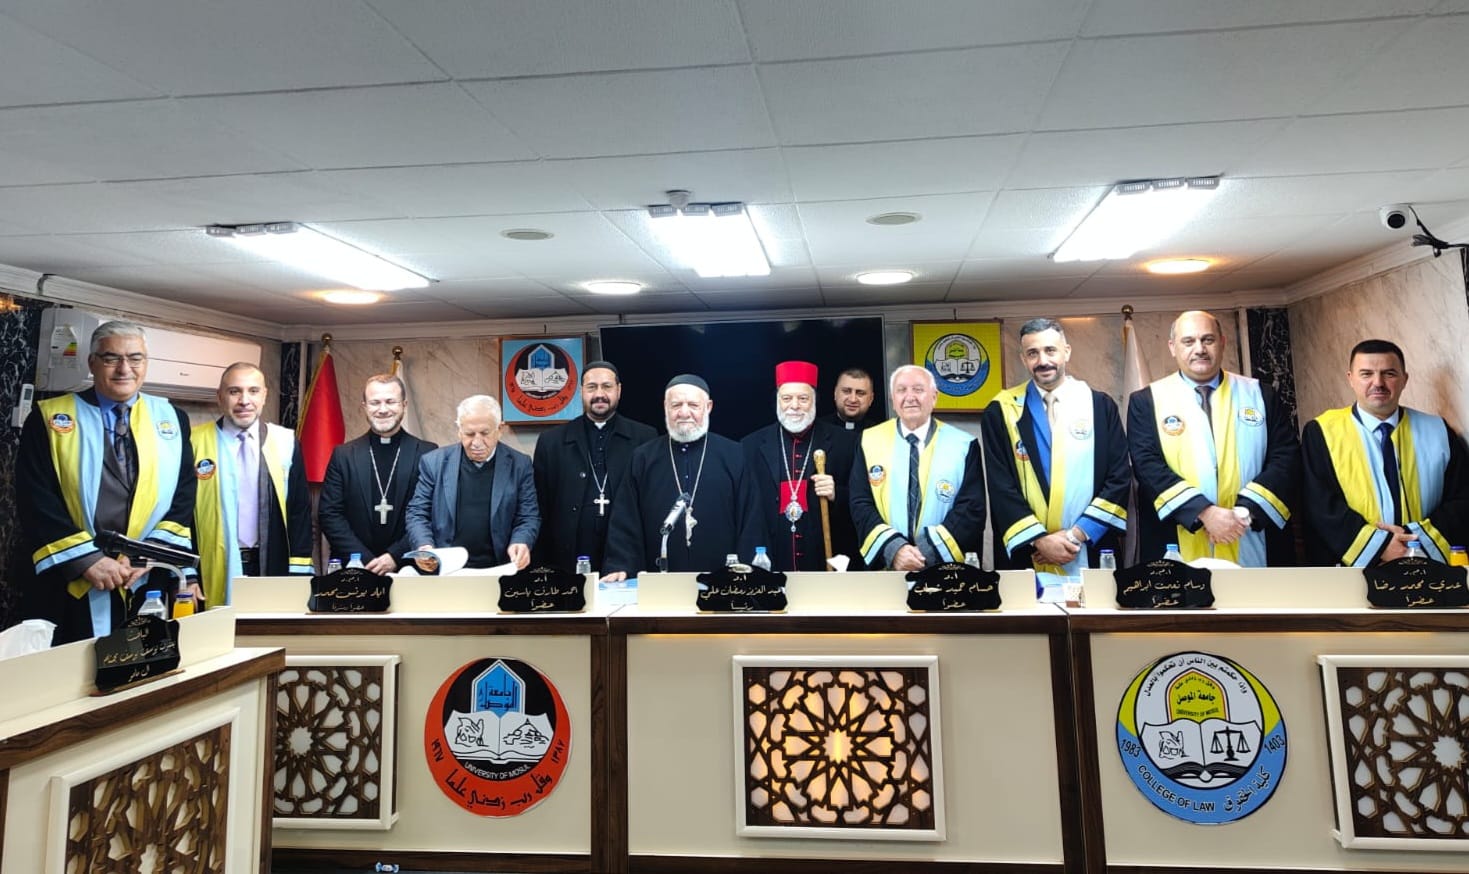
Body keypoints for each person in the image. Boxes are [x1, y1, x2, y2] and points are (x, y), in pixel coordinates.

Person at [16, 320, 196, 644]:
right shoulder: (48, 418)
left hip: (145, 579)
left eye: (135, 358)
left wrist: (146, 555)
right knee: (78, 668)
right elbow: (36, 498)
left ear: (146, 363)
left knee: (145, 664)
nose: (124, 368)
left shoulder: (172, 418)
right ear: (92, 362)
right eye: (112, 358)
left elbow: (184, 495)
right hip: (73, 579)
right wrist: (87, 560)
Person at [1127, 310, 1298, 566]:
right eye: (1188, 341)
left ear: (1223, 342)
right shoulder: (1147, 401)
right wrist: (1204, 512)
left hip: (1251, 532)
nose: (1199, 349)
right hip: (1176, 535)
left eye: (1208, 339)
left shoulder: (1260, 395)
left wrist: (1243, 513)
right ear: (1172, 347)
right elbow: (1147, 465)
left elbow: (1285, 458)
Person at [980, 319, 1131, 573]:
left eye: (1050, 350)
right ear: (1023, 359)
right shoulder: (1001, 411)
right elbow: (1001, 486)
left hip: (1090, 545)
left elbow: (1118, 477)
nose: (1043, 361)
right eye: (1032, 353)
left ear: (1066, 352)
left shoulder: (1099, 406)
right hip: (1029, 553)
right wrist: (1040, 540)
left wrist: (1076, 535)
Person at [1301, 339, 1469, 566]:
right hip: (1354, 569)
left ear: (1404, 379)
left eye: (1389, 374)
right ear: (1350, 379)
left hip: (1427, 564)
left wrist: (1413, 542)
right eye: (1366, 374)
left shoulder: (1438, 430)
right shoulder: (1322, 432)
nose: (1378, 383)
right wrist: (1379, 546)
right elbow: (1320, 505)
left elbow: (1462, 498)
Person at [601, 375, 762, 579]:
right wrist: (621, 564)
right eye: (676, 405)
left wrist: (748, 572)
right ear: (665, 407)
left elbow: (751, 521)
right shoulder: (643, 458)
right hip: (659, 583)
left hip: (724, 583)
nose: (684, 413)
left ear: (708, 407)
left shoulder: (734, 455)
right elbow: (626, 519)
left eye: (693, 405)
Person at [192, 362, 314, 605]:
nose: (244, 400)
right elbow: (184, 514)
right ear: (220, 396)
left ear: (265, 395)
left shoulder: (286, 442)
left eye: (253, 391)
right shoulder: (194, 441)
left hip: (271, 564)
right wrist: (187, 574)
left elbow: (299, 513)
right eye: (234, 391)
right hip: (211, 567)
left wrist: (299, 574)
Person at [849, 364, 987, 570]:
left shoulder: (963, 445)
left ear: (934, 397)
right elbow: (860, 503)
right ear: (892, 399)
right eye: (901, 390)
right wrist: (895, 550)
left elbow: (971, 508)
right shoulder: (869, 441)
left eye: (918, 389)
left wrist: (927, 552)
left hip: (943, 569)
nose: (910, 397)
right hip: (888, 567)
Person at [532, 361, 656, 572]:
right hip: (567, 556)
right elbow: (539, 508)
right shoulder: (551, 442)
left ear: (619, 390)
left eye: (607, 386)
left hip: (626, 555)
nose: (599, 394)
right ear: (581, 391)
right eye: (592, 387)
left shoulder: (644, 438)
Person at [742, 361, 863, 571]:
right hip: (771, 559)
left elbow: (865, 500)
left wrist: (837, 494)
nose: (794, 405)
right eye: (786, 398)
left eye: (803, 398)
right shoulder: (749, 446)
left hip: (826, 560)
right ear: (777, 401)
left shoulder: (846, 443)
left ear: (814, 401)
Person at [318, 373, 436, 573]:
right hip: (355, 568)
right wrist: (364, 560)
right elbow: (330, 514)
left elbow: (432, 513)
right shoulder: (344, 455)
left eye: (390, 401)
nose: (382, 409)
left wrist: (395, 556)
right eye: (375, 403)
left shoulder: (427, 453)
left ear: (404, 405)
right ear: (364, 406)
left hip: (409, 567)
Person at [406, 395, 539, 571]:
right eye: (469, 434)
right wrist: (424, 546)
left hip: (499, 567)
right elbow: (417, 512)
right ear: (459, 431)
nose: (476, 442)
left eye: (485, 433)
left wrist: (520, 542)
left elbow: (528, 516)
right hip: (445, 568)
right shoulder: (434, 463)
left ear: (499, 429)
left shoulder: (519, 464)